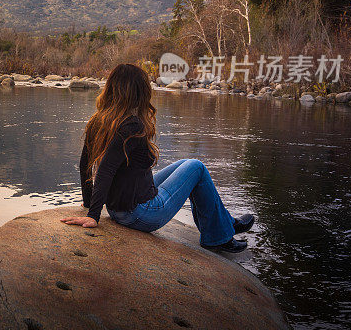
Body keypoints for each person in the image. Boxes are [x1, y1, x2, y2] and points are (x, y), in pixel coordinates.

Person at [60, 63, 254, 253]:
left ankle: (227, 223)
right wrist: (93, 215)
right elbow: (105, 170)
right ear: (139, 93)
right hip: (140, 213)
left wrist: (88, 202)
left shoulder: (99, 120)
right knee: (197, 167)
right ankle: (217, 237)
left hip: (119, 208)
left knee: (186, 164)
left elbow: (84, 163)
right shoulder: (131, 126)